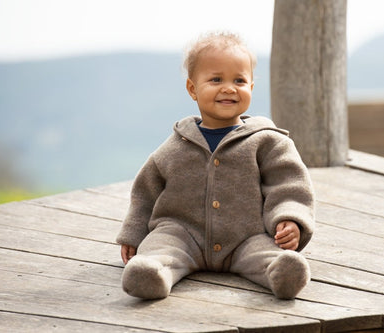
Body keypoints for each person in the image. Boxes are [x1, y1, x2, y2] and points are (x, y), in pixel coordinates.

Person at [116, 31, 315, 300]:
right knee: (161, 247)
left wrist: (290, 219)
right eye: (216, 79)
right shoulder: (176, 146)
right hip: (182, 233)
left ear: (251, 88)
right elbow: (145, 193)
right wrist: (133, 233)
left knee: (267, 253)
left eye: (240, 80)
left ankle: (281, 272)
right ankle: (151, 273)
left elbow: (289, 185)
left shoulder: (267, 142)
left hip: (246, 236)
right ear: (192, 88)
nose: (229, 87)